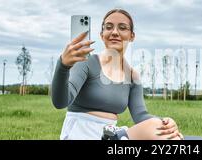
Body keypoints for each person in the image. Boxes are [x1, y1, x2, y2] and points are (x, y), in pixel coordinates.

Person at [51, 8, 183, 140]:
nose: (114, 32)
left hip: (111, 134)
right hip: (80, 133)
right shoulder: (86, 62)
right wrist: (63, 66)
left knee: (167, 133)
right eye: (108, 27)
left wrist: (165, 123)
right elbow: (60, 102)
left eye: (122, 28)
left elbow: (141, 115)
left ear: (132, 36)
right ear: (102, 35)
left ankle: (117, 138)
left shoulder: (132, 76)